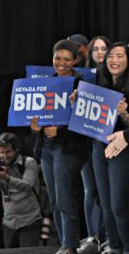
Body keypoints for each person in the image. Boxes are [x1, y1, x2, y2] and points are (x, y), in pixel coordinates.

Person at [31, 39, 91, 254]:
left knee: (65, 196)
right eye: (58, 58)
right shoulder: (47, 83)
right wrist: (35, 128)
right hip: (46, 147)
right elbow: (38, 117)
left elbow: (87, 121)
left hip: (68, 148)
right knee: (55, 199)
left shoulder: (82, 84)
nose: (61, 63)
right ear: (52, 57)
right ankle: (65, 244)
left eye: (67, 59)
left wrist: (60, 130)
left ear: (75, 60)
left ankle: (70, 246)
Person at [89, 42, 129, 254]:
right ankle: (115, 247)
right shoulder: (99, 84)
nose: (114, 60)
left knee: (119, 206)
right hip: (99, 148)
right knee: (106, 205)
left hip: (121, 151)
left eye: (120, 56)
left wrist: (124, 115)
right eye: (111, 55)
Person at [77, 36, 111, 254]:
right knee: (90, 190)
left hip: (108, 144)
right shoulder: (83, 78)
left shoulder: (117, 78)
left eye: (104, 48)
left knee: (109, 193)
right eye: (95, 49)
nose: (99, 52)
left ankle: (110, 239)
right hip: (85, 143)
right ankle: (94, 238)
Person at [0, 133, 42, 249]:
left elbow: (27, 186)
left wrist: (7, 178)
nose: (4, 156)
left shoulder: (29, 162)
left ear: (16, 149)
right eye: (1, 153)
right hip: (8, 223)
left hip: (29, 221)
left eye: (8, 152)